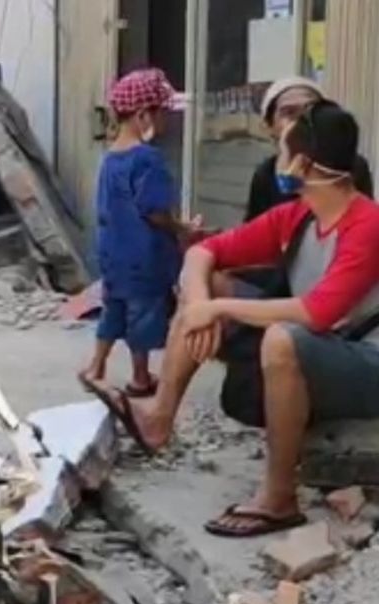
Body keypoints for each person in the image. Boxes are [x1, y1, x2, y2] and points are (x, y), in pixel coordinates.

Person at [87, 101, 379, 538]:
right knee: (211, 285)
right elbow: (205, 252)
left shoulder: (367, 224)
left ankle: (279, 498)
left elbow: (316, 311)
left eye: (282, 149)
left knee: (279, 336)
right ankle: (159, 418)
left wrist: (216, 310)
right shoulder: (298, 215)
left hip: (365, 360)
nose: (275, 159)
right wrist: (202, 302)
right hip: (320, 346)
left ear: (301, 163)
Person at [80, 68, 201, 398]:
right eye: (163, 113)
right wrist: (183, 228)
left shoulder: (110, 158)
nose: (167, 121)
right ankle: (139, 378)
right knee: (143, 317)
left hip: (112, 255)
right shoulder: (147, 160)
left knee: (113, 309)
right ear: (143, 114)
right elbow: (154, 211)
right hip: (143, 257)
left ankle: (96, 365)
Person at [246, 77, 373, 221]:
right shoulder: (266, 175)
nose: (301, 121)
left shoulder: (352, 166)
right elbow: (253, 236)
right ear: (270, 127)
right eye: (289, 112)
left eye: (311, 110)